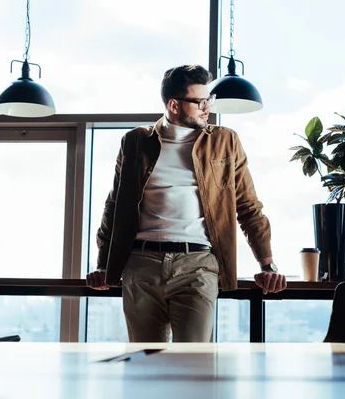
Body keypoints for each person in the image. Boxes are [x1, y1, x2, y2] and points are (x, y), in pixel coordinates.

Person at [86, 64, 286, 342]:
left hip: (198, 265)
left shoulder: (225, 141)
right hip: (141, 264)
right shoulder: (135, 141)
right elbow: (115, 205)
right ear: (174, 105)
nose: (207, 108)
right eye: (199, 101)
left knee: (194, 363)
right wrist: (102, 263)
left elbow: (248, 206)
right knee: (146, 362)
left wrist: (267, 265)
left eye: (209, 100)